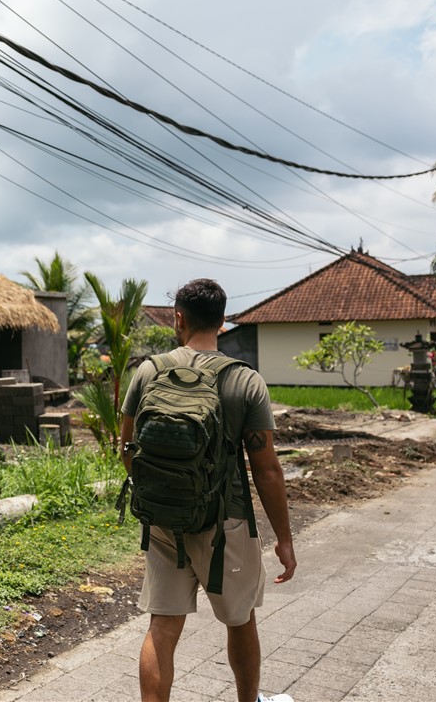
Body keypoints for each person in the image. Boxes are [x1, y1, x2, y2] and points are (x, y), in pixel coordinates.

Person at [120, 279, 297, 702]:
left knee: (162, 628)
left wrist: (164, 492)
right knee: (240, 621)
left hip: (164, 522)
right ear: (222, 320)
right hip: (228, 523)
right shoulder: (246, 381)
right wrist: (284, 539)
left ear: (178, 318)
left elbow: (127, 448)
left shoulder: (149, 371)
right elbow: (266, 468)